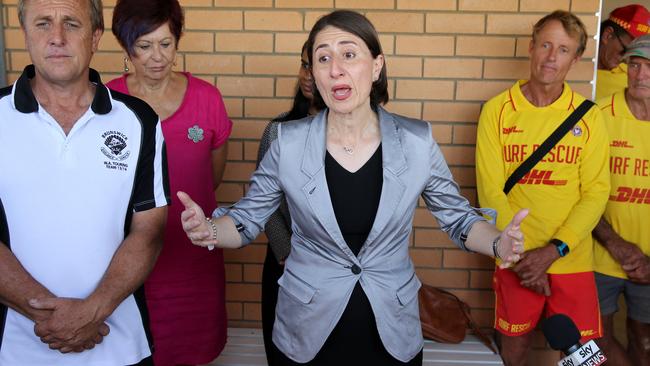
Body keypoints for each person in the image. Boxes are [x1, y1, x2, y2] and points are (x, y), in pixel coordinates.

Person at [180, 10, 528, 366]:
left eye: (349, 54)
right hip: (306, 331)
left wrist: (499, 242)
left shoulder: (416, 141)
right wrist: (207, 228)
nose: (335, 69)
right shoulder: (288, 141)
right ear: (313, 73)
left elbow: (460, 220)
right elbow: (247, 219)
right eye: (323, 58)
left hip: (391, 329)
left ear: (377, 66)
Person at [0, 0, 170, 365]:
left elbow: (149, 232)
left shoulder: (139, 121)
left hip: (118, 344)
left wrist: (93, 311)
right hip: (13, 347)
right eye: (43, 23)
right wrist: (54, 319)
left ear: (95, 38)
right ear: (25, 34)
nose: (57, 37)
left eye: (72, 24)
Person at [475, 10, 611, 366]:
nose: (552, 57)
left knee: (583, 360)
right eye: (546, 45)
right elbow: (490, 191)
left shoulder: (588, 116)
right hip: (514, 259)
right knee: (514, 350)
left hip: (571, 259)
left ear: (576, 59)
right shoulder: (497, 111)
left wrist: (552, 252)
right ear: (531, 47)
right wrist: (521, 259)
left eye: (563, 50)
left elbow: (596, 193)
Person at [107, 0, 232, 365]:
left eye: (166, 43)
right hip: (125, 259)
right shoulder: (108, 102)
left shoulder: (207, 99)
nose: (157, 56)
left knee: (194, 351)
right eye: (144, 46)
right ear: (126, 48)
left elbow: (212, 178)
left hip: (194, 261)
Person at [257, 41, 319, 366]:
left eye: (316, 65)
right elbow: (263, 202)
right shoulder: (278, 129)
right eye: (304, 65)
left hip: (333, 269)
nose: (307, 75)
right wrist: (285, 251)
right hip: (285, 263)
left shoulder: (363, 135)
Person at [593, 35, 650, 366]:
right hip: (600, 255)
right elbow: (580, 191)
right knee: (593, 342)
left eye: (649, 68)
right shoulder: (599, 115)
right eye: (635, 65)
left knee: (644, 343)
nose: (640, 75)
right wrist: (614, 243)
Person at [596, 4, 650, 100]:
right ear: (607, 35)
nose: (626, 59)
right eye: (625, 50)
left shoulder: (632, 74)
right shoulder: (576, 72)